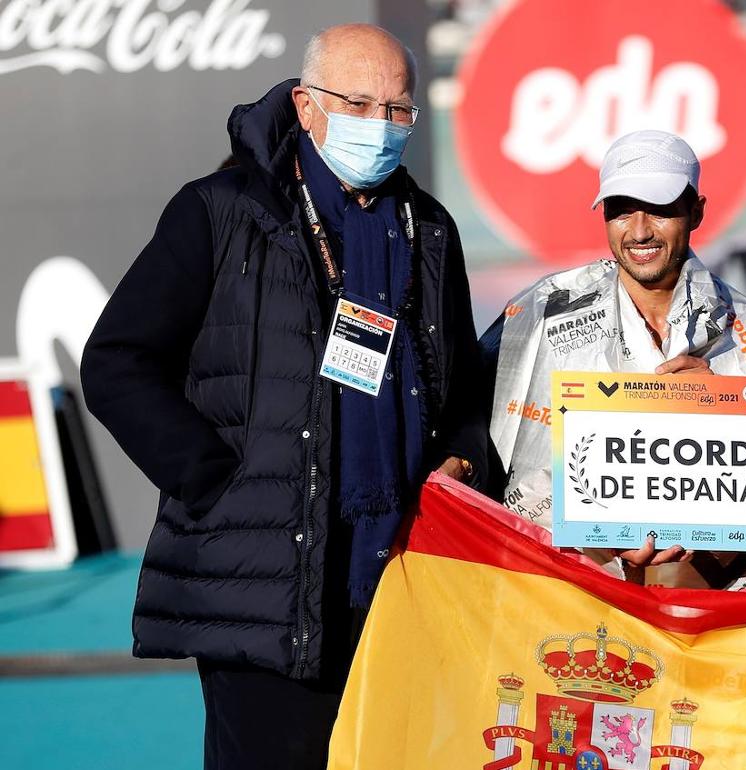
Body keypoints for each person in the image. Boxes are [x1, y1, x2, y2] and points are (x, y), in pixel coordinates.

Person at [80, 24, 488, 770]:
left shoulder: (428, 228)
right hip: (264, 582)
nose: (383, 127)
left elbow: (463, 388)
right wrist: (215, 479)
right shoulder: (224, 210)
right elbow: (116, 362)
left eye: (400, 110)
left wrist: (460, 453)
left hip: (397, 582)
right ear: (305, 105)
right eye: (360, 104)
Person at [482, 130, 746, 589]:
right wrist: (605, 536)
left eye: (659, 208)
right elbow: (476, 434)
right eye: (621, 210)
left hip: (710, 611)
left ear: (696, 212)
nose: (639, 230)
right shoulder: (544, 311)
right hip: (574, 600)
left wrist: (723, 401)